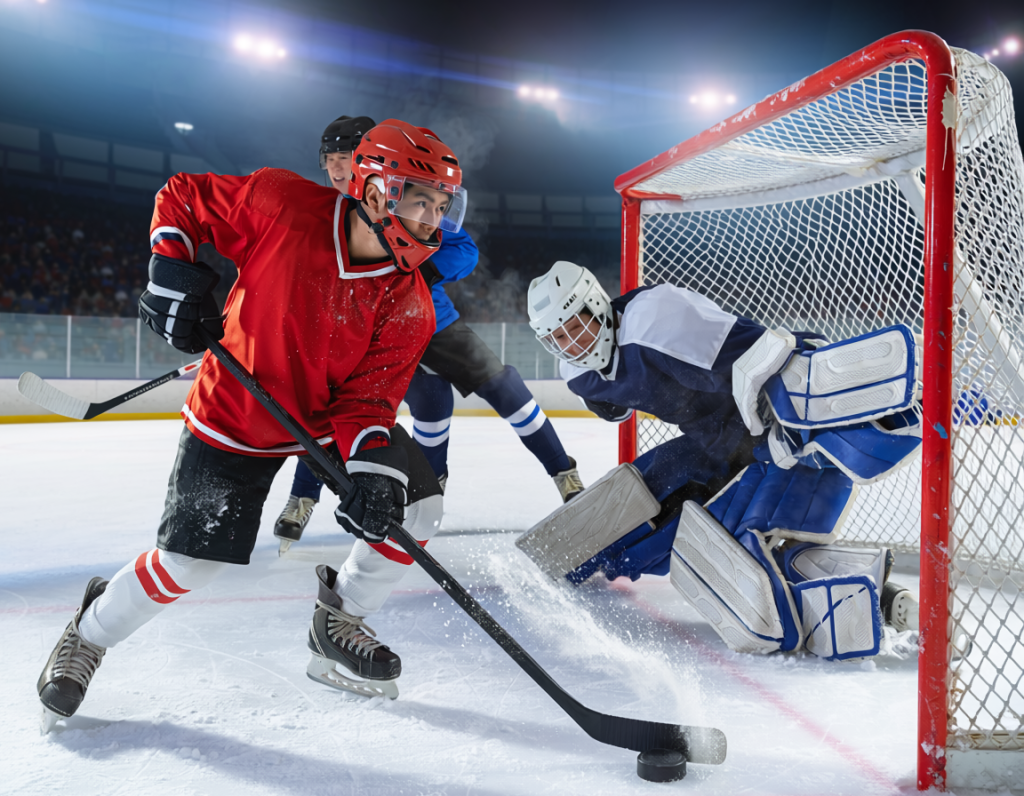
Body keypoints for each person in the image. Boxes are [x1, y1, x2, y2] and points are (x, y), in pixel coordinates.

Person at [35, 120, 467, 730]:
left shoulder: (409, 303)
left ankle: (337, 620)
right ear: (375, 192)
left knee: (415, 509)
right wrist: (170, 273)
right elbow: (184, 196)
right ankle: (90, 630)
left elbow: (367, 405)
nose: (432, 219)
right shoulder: (283, 204)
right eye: (420, 199)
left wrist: (372, 475)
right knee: (189, 564)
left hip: (320, 423)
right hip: (233, 413)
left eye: (442, 204)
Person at [519, 261, 924, 662]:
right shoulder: (577, 373)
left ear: (596, 303)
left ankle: (881, 600)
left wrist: (780, 417)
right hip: (716, 446)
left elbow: (762, 355)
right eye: (556, 338)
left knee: (735, 565)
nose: (571, 344)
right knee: (623, 543)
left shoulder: (655, 316)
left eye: (575, 327)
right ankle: (850, 588)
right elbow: (613, 404)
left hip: (780, 430)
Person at [273, 115, 583, 554]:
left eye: (348, 159)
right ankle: (305, 497)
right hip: (362, 336)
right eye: (333, 160)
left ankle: (563, 473)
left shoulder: (406, 201)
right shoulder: (321, 214)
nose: (340, 169)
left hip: (431, 322)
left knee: (503, 383)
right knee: (372, 408)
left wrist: (417, 276)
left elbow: (463, 248)